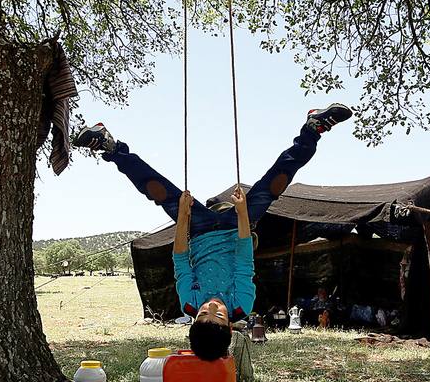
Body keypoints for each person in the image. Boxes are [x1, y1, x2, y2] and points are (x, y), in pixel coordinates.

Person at [72, 103, 354, 360]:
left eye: (204, 315)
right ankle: (313, 129)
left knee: (157, 191)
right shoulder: (242, 303)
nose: (211, 308)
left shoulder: (190, 303)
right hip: (236, 228)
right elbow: (244, 257)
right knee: (275, 184)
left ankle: (109, 146)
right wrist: (243, 212)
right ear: (230, 326)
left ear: (194, 320)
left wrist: (182, 216)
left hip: (198, 228)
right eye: (217, 316)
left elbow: (181, 257)